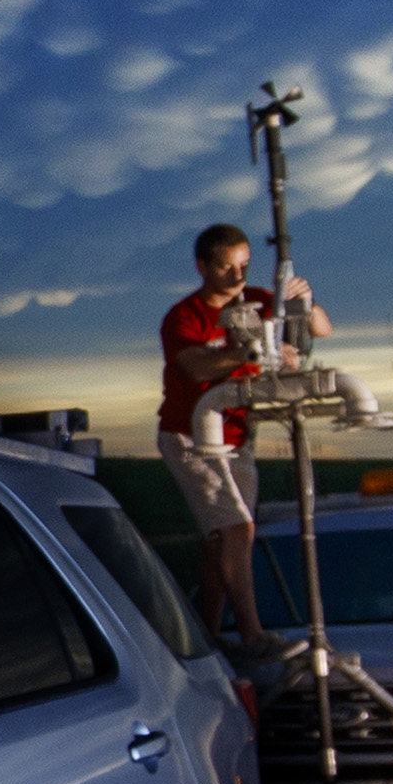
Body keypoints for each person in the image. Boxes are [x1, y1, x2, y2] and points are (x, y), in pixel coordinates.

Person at [155, 222, 324, 645]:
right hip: (191, 437)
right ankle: (252, 633)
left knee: (222, 541)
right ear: (203, 267)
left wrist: (304, 301)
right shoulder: (184, 316)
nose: (238, 276)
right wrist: (252, 352)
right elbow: (194, 365)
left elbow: (319, 329)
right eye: (227, 267)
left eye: (244, 265)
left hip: (237, 438)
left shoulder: (260, 303)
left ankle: (206, 636)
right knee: (237, 530)